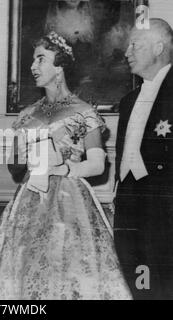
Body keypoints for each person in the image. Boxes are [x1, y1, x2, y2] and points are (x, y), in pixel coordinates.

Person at [0, 31, 132, 300]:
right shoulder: (27, 114)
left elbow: (98, 163)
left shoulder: (83, 112)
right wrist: (19, 155)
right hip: (29, 200)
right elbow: (15, 169)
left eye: (41, 59)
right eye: (33, 60)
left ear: (60, 66)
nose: (33, 66)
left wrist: (64, 169)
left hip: (69, 201)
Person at [114, 18, 173, 300]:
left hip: (165, 213)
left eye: (135, 45)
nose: (127, 52)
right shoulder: (128, 101)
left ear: (159, 47)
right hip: (129, 209)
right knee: (139, 285)